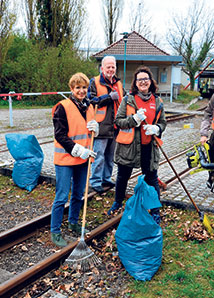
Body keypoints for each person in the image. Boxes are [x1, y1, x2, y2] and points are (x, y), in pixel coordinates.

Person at [107, 66, 167, 224]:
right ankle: (117, 202)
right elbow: (118, 121)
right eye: (140, 79)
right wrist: (134, 120)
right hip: (129, 147)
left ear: (150, 81)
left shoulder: (158, 101)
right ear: (135, 82)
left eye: (146, 79)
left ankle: (154, 210)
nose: (143, 82)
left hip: (149, 147)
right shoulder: (128, 100)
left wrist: (157, 128)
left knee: (152, 179)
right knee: (122, 177)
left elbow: (163, 122)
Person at [50, 72, 99, 247]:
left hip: (83, 159)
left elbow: (88, 132)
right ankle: (55, 231)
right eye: (78, 87)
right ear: (72, 89)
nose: (81, 91)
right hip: (66, 159)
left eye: (84, 87)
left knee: (79, 194)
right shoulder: (62, 107)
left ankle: (73, 222)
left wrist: (96, 129)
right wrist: (78, 150)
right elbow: (60, 135)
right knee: (62, 196)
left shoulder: (89, 106)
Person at [87, 55, 125, 193]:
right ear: (102, 68)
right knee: (98, 156)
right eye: (108, 67)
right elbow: (89, 100)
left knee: (110, 157)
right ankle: (95, 181)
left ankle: (106, 179)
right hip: (101, 127)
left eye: (113, 67)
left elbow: (124, 101)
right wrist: (108, 98)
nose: (110, 69)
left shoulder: (118, 84)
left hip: (115, 127)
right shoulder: (94, 82)